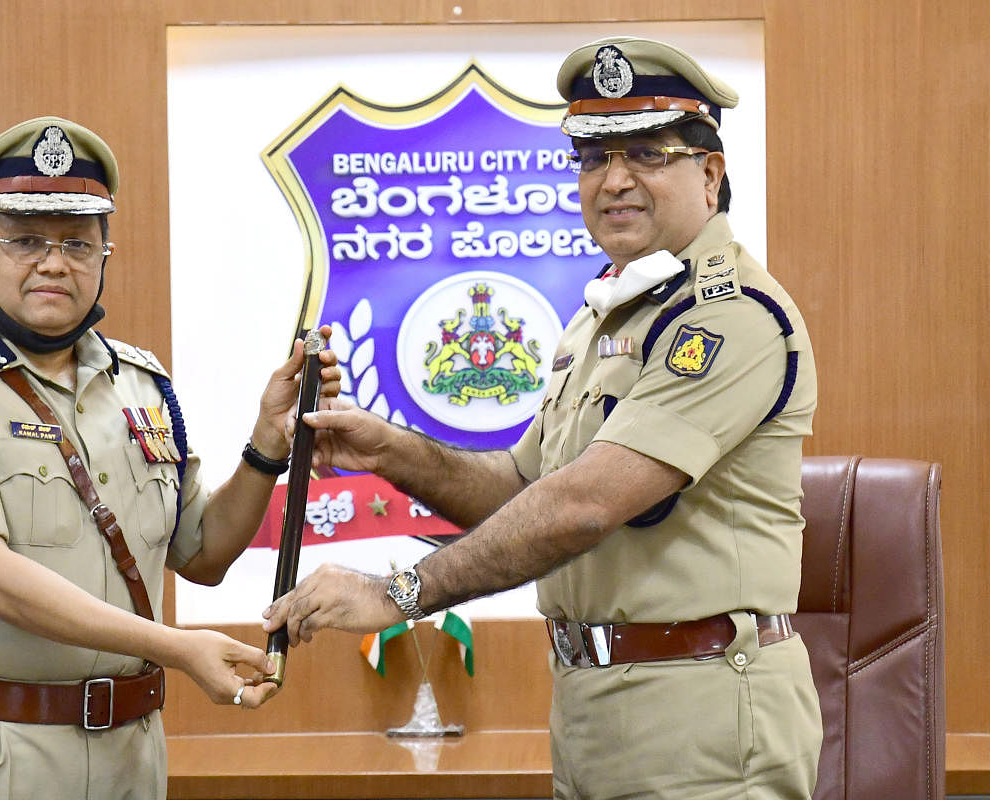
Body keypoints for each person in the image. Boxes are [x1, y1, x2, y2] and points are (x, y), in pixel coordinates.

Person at [263, 37, 823, 799]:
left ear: (710, 173)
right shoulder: (606, 315)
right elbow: (525, 485)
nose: (614, 180)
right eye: (592, 157)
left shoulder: (730, 319)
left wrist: (400, 592)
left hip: (703, 722)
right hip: (598, 713)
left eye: (646, 154)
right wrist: (391, 450)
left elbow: (582, 507)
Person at [0, 116, 337, 800]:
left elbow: (202, 552)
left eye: (78, 242)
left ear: (105, 254)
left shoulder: (140, 383)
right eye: (24, 239)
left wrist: (267, 443)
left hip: (128, 763)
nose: (54, 262)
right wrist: (180, 648)